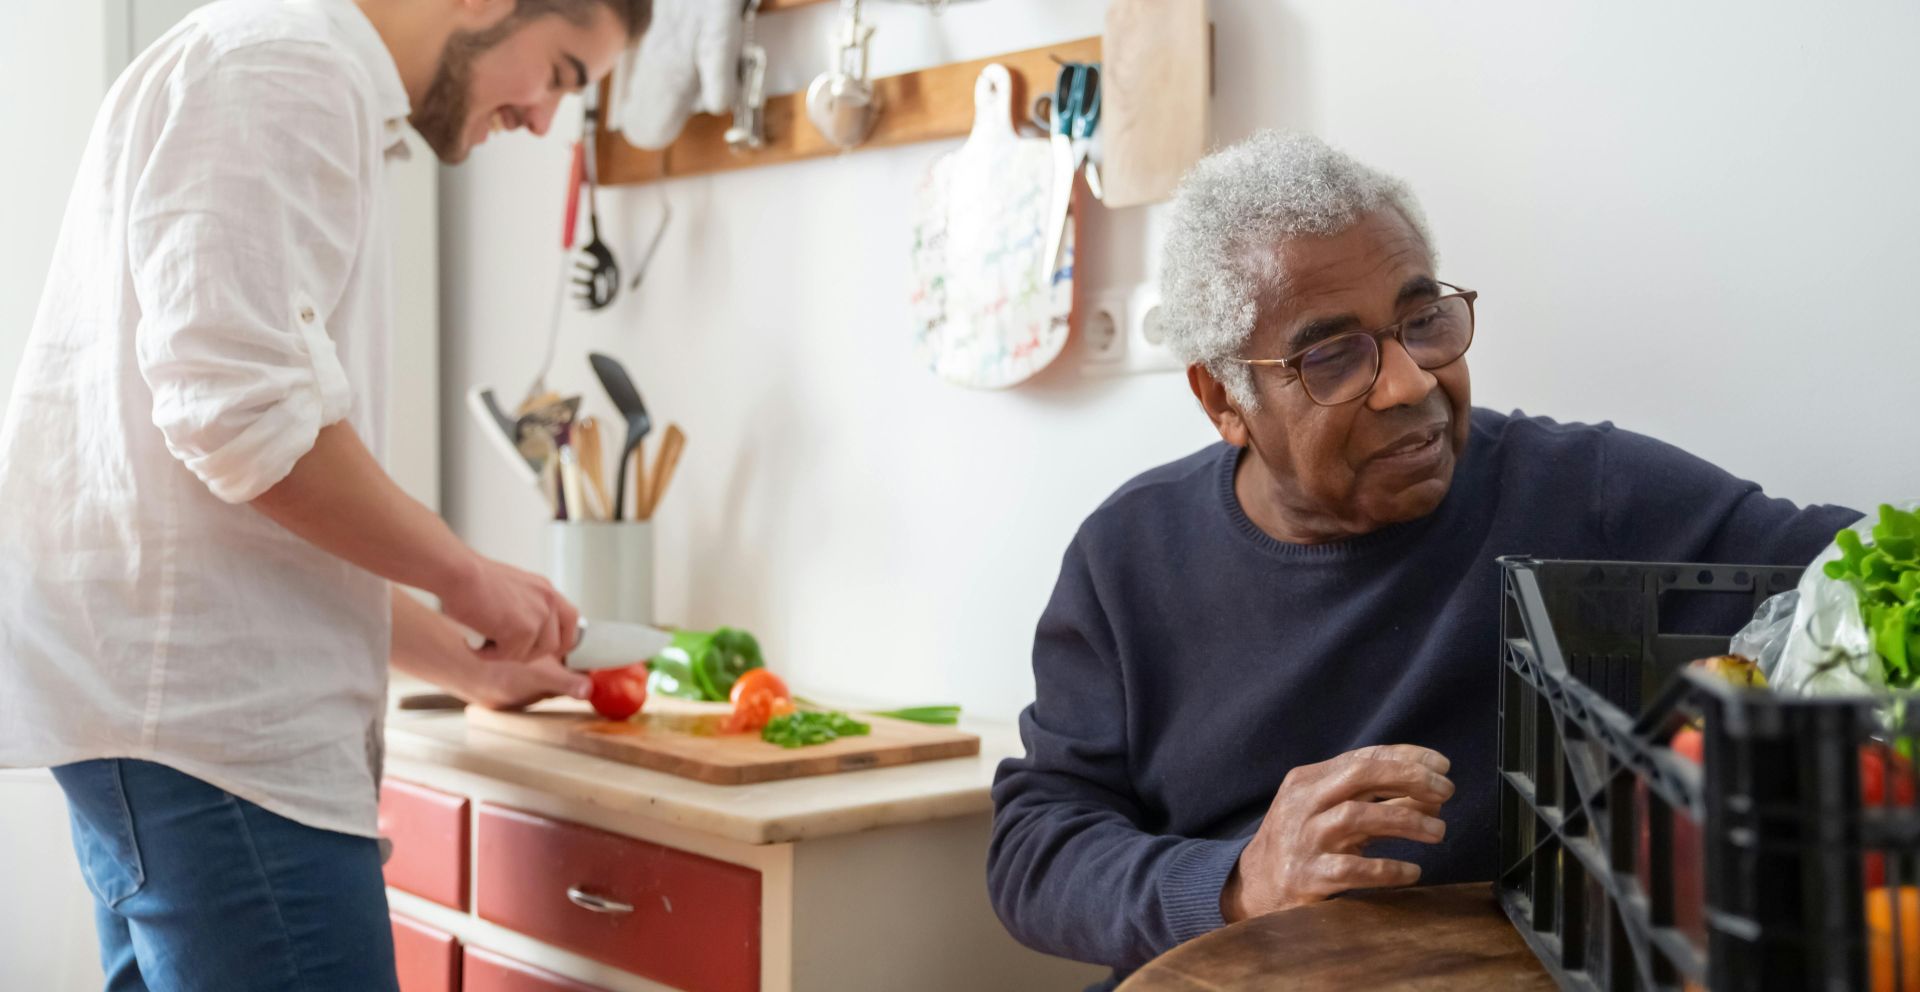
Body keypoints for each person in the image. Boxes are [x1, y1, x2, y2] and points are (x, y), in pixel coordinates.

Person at [985, 130, 1861, 990]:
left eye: (1423, 321)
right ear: (1225, 398)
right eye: (1331, 355)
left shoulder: (1584, 494)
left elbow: (1856, 568)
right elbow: (1038, 843)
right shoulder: (1128, 556)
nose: (1409, 383)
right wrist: (1240, 882)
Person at [0, 0, 647, 987]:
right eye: (558, 72)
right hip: (222, 750)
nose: (547, 117)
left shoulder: (282, 68)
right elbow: (242, 419)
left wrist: (458, 659)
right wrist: (465, 576)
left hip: (177, 739)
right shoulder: (286, 71)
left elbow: (233, 507)